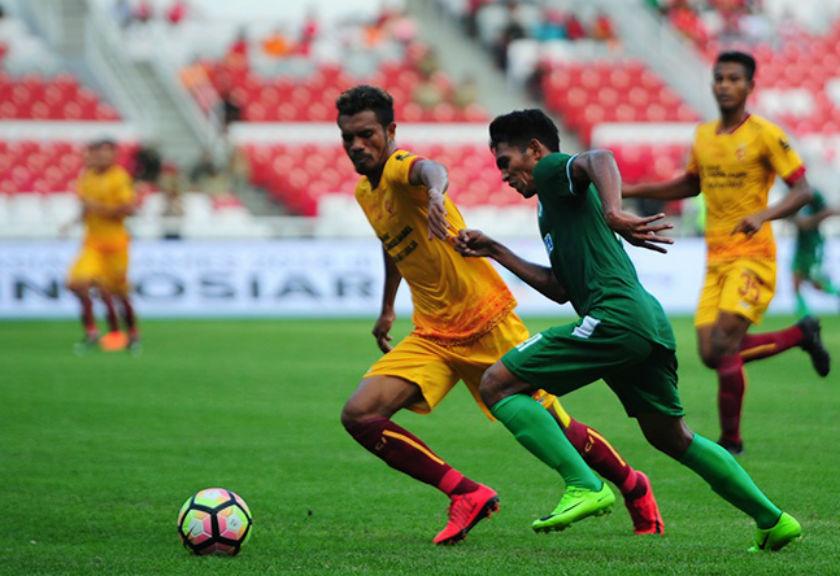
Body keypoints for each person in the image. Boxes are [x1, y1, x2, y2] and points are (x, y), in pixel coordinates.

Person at [454, 108, 801, 552]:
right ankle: (773, 519)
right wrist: (495, 250)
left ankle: (583, 483)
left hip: (616, 317)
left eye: (505, 161)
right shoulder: (554, 206)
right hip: (642, 320)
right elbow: (561, 289)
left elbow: (599, 155)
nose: (503, 174)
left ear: (535, 150)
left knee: (498, 384)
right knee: (671, 436)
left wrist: (616, 211)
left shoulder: (552, 170)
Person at [336, 85, 664, 545]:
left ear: (390, 131)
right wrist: (388, 307)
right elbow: (391, 243)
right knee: (360, 415)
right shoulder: (364, 192)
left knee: (558, 427)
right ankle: (465, 493)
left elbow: (432, 169)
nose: (356, 145)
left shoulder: (399, 168)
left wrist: (435, 194)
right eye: (347, 137)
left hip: (485, 319)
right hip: (432, 332)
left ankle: (633, 485)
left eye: (366, 134)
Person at [623, 51, 830, 455]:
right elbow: (689, 185)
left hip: (754, 256)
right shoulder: (703, 137)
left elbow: (803, 191)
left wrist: (763, 214)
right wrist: (632, 190)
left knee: (722, 344)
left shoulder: (767, 134)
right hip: (716, 257)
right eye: (719, 78)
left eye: (734, 79)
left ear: (750, 87)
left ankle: (731, 441)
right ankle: (800, 334)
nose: (724, 85)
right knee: (709, 353)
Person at [64, 139, 140, 352]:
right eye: (98, 153)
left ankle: (130, 333)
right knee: (77, 284)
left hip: (115, 245)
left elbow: (127, 209)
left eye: (107, 153)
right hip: (93, 244)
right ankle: (93, 331)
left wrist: (97, 207)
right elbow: (86, 208)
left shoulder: (119, 178)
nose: (101, 158)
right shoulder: (86, 178)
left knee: (117, 292)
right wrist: (71, 223)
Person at [792, 189, 839, 317]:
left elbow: (831, 211)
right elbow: (803, 224)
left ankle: (837, 293)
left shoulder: (814, 205)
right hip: (801, 248)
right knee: (796, 281)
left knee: (817, 284)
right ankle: (803, 313)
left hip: (812, 248)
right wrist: (825, 214)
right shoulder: (797, 206)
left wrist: (827, 213)